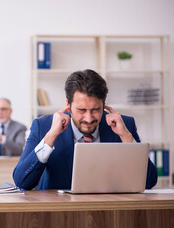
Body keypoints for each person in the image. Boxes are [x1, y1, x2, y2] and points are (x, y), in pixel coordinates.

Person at [13, 69, 158, 190]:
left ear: (104, 105)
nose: (88, 119)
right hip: (59, 212)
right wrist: (51, 136)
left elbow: (149, 181)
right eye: (81, 110)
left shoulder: (124, 125)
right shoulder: (43, 126)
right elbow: (21, 181)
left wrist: (126, 137)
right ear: (68, 105)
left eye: (95, 110)